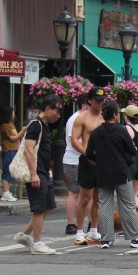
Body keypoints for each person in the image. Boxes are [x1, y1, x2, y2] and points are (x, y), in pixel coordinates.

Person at [85, 100, 138, 249]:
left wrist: (99, 161)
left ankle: (106, 239)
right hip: (121, 172)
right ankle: (134, 238)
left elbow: (89, 154)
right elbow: (133, 150)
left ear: (103, 114)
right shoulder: (121, 131)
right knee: (127, 205)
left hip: (103, 173)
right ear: (115, 114)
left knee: (105, 205)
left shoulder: (96, 132)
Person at [13, 97, 63, 255]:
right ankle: (37, 243)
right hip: (37, 172)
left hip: (43, 172)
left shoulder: (44, 126)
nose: (58, 115)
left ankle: (24, 235)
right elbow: (28, 150)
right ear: (47, 109)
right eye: (57, 111)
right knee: (39, 209)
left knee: (48, 207)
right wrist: (34, 174)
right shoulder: (36, 125)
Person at [72, 87, 106, 244]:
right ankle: (79, 231)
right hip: (88, 161)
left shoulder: (105, 117)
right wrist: (86, 154)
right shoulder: (82, 118)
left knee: (98, 198)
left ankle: (93, 230)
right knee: (84, 197)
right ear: (90, 101)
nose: (100, 103)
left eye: (102, 100)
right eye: (98, 101)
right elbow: (74, 139)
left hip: (102, 161)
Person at [62, 95, 88, 234]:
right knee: (74, 192)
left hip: (81, 160)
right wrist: (88, 152)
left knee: (87, 192)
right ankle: (71, 224)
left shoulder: (83, 118)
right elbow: (75, 141)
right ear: (84, 106)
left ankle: (91, 223)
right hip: (73, 160)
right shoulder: (75, 119)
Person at [0, 107, 25, 203]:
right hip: (8, 150)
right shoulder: (5, 126)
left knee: (10, 171)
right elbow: (13, 138)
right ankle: (5, 192)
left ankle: (7, 191)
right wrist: (22, 131)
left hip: (13, 150)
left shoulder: (11, 125)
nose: (14, 115)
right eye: (12, 113)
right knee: (7, 171)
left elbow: (16, 138)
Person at [122, 104, 138, 194]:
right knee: (134, 194)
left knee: (127, 196)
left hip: (129, 163)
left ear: (126, 116)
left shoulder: (124, 129)